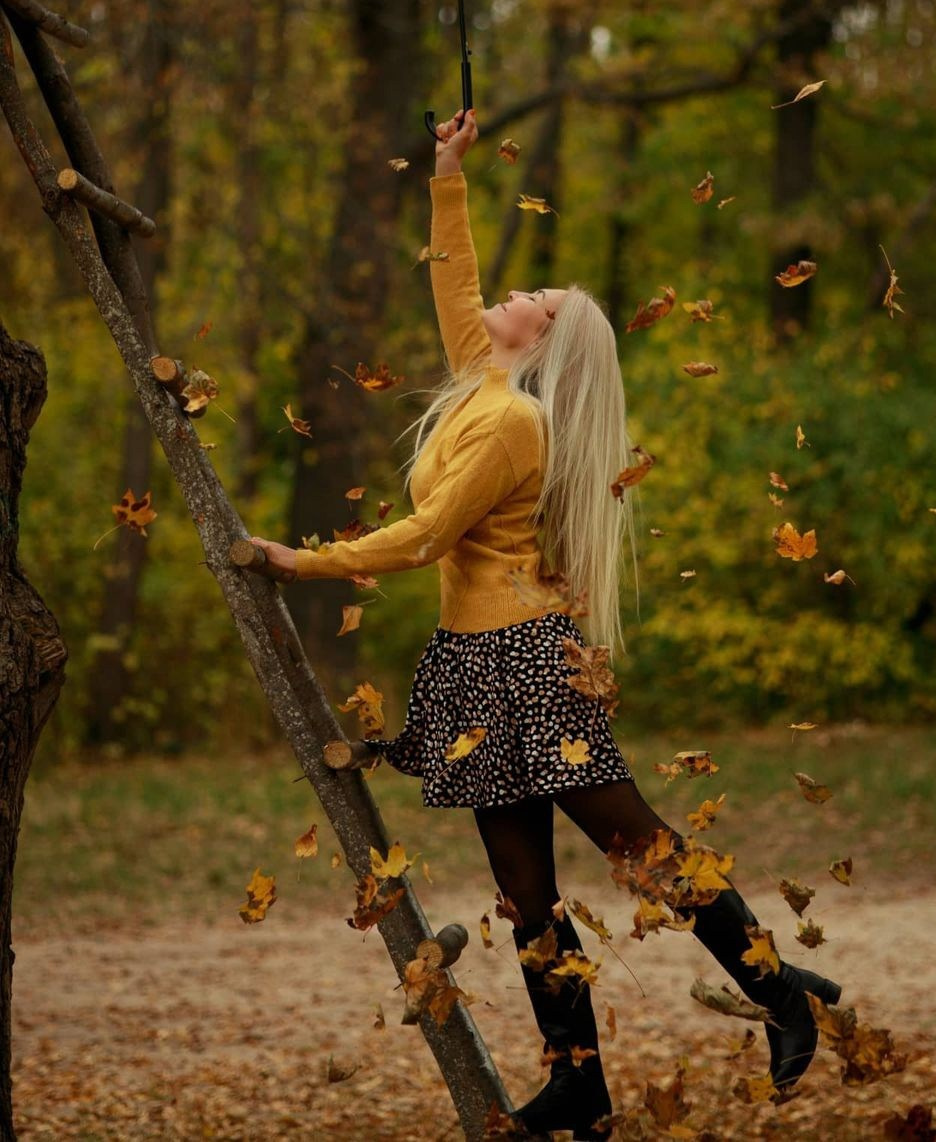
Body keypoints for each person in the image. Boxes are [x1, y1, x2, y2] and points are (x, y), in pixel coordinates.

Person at [249, 108, 841, 1137]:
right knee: (526, 892)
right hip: (479, 663)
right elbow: (453, 280)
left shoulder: (517, 421)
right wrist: (447, 174)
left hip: (524, 658)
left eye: (536, 298)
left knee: (642, 846)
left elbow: (430, 534)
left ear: (549, 338)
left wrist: (306, 560)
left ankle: (780, 993)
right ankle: (580, 1078)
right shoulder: (485, 382)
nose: (512, 297)